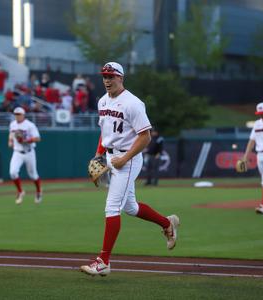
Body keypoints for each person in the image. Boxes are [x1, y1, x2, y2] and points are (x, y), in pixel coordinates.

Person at [80, 62, 180, 277]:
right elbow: (104, 132)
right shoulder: (102, 101)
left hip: (129, 158)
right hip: (111, 155)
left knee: (112, 207)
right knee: (131, 207)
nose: (107, 80)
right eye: (104, 76)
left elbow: (145, 136)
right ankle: (167, 223)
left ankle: (103, 261)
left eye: (111, 76)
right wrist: (99, 154)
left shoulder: (133, 103)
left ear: (121, 78)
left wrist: (125, 158)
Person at [8, 107, 43, 204]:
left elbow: (38, 138)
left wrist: (26, 140)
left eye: (19, 114)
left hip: (29, 152)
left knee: (33, 175)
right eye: (15, 114)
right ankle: (20, 191)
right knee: (13, 172)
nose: (17, 116)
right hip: (17, 152)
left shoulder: (30, 125)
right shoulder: (13, 124)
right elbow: (11, 134)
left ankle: (39, 191)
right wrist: (10, 141)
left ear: (23, 115)